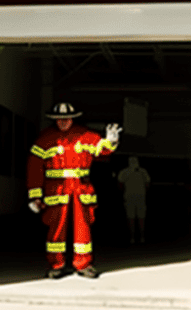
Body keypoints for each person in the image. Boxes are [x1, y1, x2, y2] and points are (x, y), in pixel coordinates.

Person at [28, 102, 121, 278]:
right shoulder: (44, 140)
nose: (63, 122)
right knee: (56, 228)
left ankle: (84, 264)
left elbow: (103, 150)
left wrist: (111, 140)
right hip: (56, 189)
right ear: (54, 120)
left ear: (72, 118)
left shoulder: (85, 135)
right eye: (59, 119)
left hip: (80, 188)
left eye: (67, 119)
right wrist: (34, 195)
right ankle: (56, 265)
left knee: (83, 227)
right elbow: (34, 169)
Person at [117, 156, 151, 244]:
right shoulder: (143, 172)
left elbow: (120, 185)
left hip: (128, 197)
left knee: (130, 217)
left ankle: (132, 237)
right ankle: (142, 237)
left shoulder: (124, 172)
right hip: (141, 196)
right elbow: (147, 184)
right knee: (141, 217)